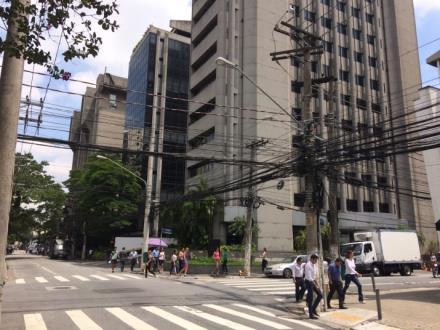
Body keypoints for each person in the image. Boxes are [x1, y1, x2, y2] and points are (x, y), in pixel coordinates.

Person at [305, 254, 323, 319]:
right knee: (311, 298)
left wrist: (316, 284)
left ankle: (313, 309)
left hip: (313, 282)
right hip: (308, 282)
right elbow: (309, 277)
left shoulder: (314, 265)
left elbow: (314, 276)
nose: (316, 261)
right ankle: (311, 315)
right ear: (312, 259)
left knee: (320, 295)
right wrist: (314, 284)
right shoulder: (308, 265)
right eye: (315, 259)